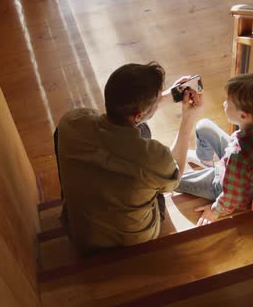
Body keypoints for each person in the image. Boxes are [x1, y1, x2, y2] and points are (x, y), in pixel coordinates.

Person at [55, 61, 204, 254]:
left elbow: (108, 121)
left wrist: (163, 98)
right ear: (138, 115)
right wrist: (188, 122)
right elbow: (174, 176)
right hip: (133, 241)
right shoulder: (153, 158)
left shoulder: (71, 123)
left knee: (142, 130)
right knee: (152, 157)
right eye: (157, 101)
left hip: (80, 235)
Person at [176, 73, 253, 226]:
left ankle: (209, 168)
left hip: (226, 186)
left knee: (174, 181)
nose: (224, 104)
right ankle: (207, 161)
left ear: (243, 116)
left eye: (228, 102)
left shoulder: (237, 155)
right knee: (203, 125)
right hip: (248, 176)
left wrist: (214, 211)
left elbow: (231, 196)